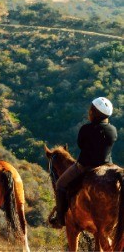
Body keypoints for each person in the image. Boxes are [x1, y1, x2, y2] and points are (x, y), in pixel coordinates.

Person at [50, 97, 118, 229]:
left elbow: (81, 145)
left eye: (90, 109)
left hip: (85, 166)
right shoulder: (113, 130)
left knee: (60, 184)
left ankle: (60, 219)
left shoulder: (86, 129)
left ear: (93, 112)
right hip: (107, 166)